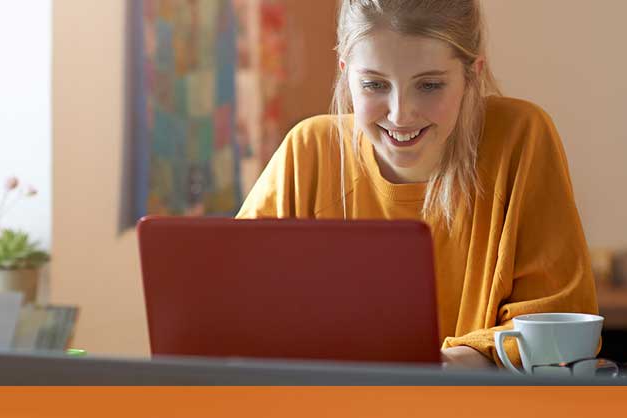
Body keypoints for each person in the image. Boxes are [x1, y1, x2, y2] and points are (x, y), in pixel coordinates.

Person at [236, 0, 598, 368]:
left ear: (472, 74)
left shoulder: (521, 138)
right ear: (346, 72)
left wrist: (443, 366)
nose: (400, 113)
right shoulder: (308, 150)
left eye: (429, 85)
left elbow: (558, 319)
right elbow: (233, 304)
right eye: (374, 84)